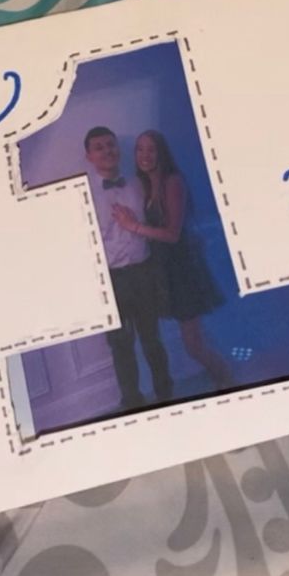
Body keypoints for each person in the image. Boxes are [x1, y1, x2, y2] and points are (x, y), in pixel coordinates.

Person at [112, 130, 232, 389]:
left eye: (151, 149)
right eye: (140, 149)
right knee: (194, 340)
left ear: (161, 152)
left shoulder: (172, 181)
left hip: (183, 270)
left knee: (193, 345)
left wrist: (132, 226)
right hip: (164, 271)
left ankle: (228, 381)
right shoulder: (143, 184)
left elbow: (172, 234)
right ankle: (222, 380)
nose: (144, 155)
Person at [84, 126, 173, 409]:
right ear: (89, 156)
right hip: (112, 280)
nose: (107, 150)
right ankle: (133, 403)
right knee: (121, 347)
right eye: (99, 147)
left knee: (152, 340)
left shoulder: (138, 183)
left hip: (144, 273)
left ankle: (167, 396)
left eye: (111, 144)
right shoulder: (83, 195)